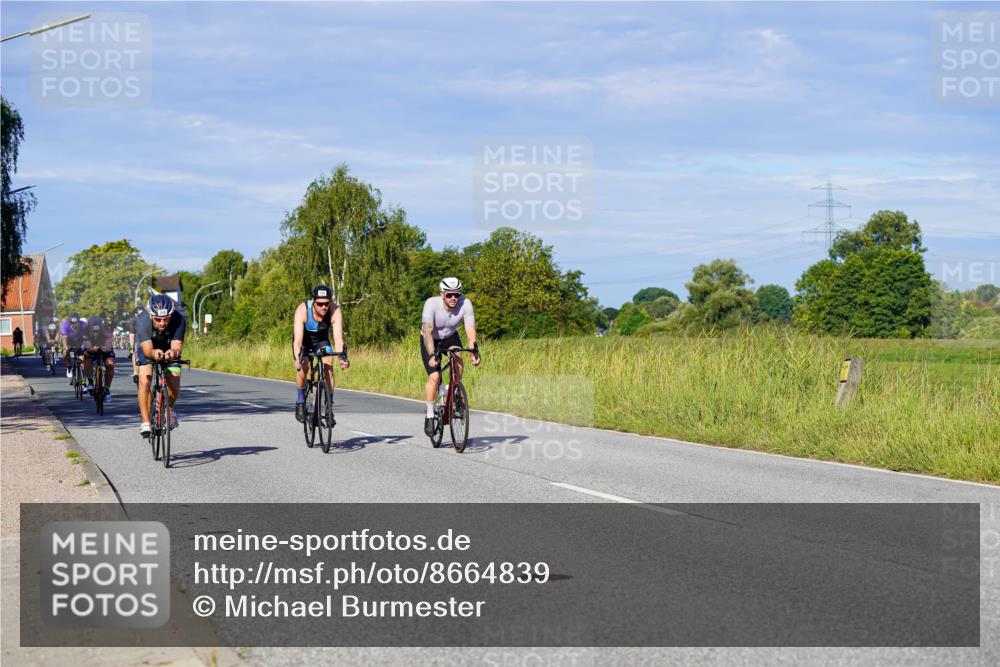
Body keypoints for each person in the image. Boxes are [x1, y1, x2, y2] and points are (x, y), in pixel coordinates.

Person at [420, 277, 480, 436]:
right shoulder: (431, 303)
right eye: (449, 295)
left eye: (456, 294)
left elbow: (470, 329)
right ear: (442, 294)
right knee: (435, 376)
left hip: (451, 336)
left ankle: (456, 392)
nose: (453, 298)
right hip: (430, 338)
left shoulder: (465, 303)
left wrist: (474, 351)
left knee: (458, 357)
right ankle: (430, 414)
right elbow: (427, 331)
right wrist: (432, 354)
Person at [292, 285, 349, 422]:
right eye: (320, 304)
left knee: (328, 367)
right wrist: (298, 358)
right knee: (303, 367)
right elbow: (297, 341)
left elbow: (338, 339)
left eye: (326, 303)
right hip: (305, 342)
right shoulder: (302, 310)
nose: (324, 307)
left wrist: (342, 357)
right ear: (313, 301)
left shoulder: (335, 310)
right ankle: (300, 402)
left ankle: (329, 407)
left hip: (321, 342)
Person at [135, 294, 186, 437]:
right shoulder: (142, 320)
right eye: (158, 319)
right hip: (148, 348)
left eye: (166, 319)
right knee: (145, 381)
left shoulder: (178, 319)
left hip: (168, 348)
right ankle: (145, 422)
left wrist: (172, 353)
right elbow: (147, 351)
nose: (162, 323)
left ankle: (169, 410)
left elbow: (177, 347)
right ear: (151, 316)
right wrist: (154, 353)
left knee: (174, 382)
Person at [80, 316, 116, 399]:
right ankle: (90, 381)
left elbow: (108, 345)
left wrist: (105, 348)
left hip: (105, 349)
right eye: (94, 331)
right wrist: (92, 349)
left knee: (110, 364)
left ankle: (107, 388)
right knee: (86, 362)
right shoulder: (85, 331)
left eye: (98, 330)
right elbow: (88, 345)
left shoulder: (106, 330)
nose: (96, 332)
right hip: (91, 349)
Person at [60, 314, 86, 378]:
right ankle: (69, 367)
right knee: (65, 353)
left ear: (78, 322)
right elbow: (64, 339)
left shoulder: (83, 325)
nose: (74, 324)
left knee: (83, 357)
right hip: (69, 341)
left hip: (79, 341)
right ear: (69, 322)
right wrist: (66, 348)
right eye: (72, 323)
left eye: (76, 323)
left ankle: (82, 373)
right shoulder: (65, 326)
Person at [128, 305, 144, 384]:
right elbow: (132, 335)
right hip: (136, 337)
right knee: (134, 351)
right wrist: (132, 348)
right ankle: (135, 372)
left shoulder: (147, 320)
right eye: (137, 315)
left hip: (145, 337)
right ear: (135, 314)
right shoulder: (133, 321)